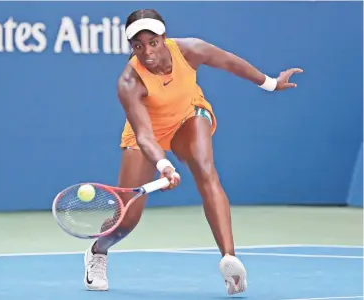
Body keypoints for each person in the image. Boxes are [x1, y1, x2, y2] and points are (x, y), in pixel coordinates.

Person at [83, 8, 303, 294]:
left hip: (188, 115)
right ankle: (98, 251)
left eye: (153, 42)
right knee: (127, 218)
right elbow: (145, 135)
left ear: (164, 37)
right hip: (147, 134)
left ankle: (229, 259)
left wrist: (271, 83)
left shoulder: (190, 50)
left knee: (205, 168)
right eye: (138, 45)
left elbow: (229, 63)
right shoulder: (129, 81)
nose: (147, 51)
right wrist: (163, 165)